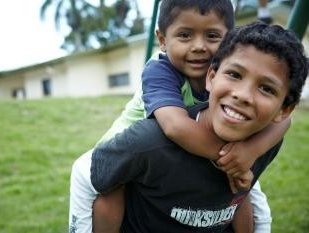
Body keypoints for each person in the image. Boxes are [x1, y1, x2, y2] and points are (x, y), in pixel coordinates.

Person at [69, 0, 289, 232]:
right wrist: (233, 161)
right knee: (109, 195)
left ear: (229, 40)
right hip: (130, 150)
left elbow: (283, 119)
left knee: (247, 195)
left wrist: (249, 152)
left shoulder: (226, 73)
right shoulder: (158, 71)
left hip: (196, 144)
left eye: (212, 36)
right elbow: (175, 127)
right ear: (163, 40)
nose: (199, 47)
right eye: (185, 35)